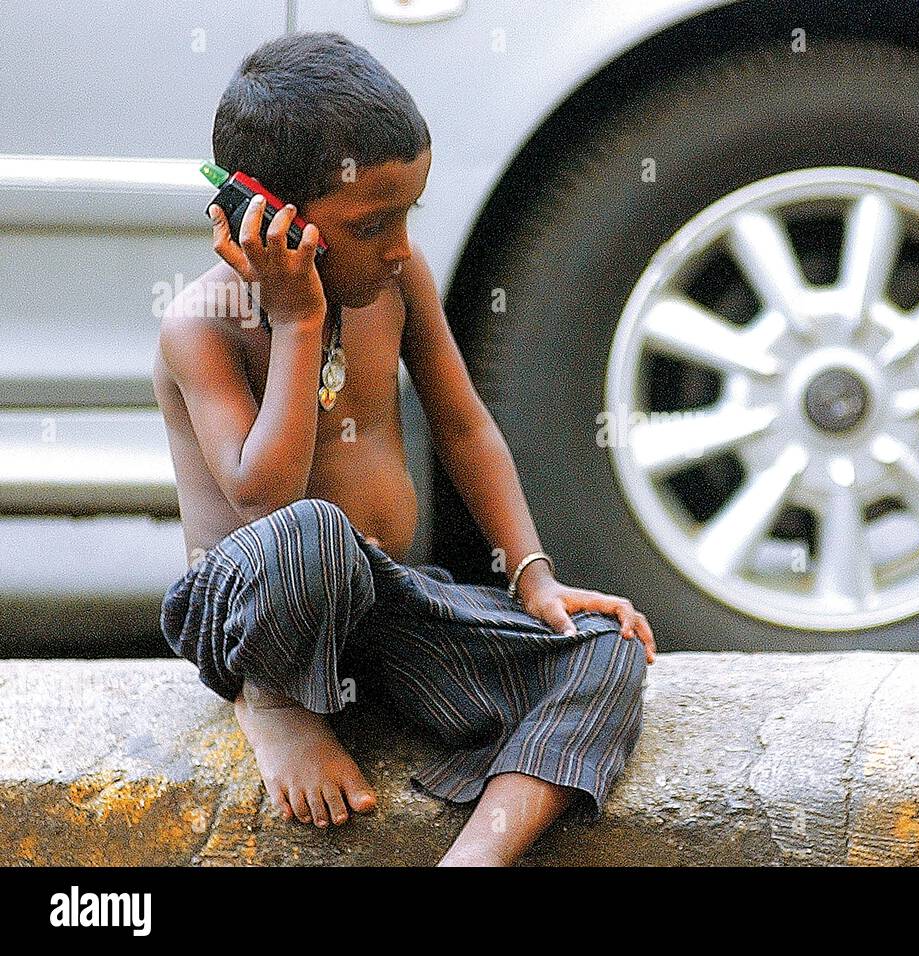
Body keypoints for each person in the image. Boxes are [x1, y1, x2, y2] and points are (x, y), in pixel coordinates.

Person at [152, 31, 655, 867]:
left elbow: (463, 426)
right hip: (253, 617)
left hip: (390, 607)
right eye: (372, 222)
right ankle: (276, 706)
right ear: (263, 217)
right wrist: (298, 319)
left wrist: (531, 572)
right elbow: (262, 498)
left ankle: (478, 854)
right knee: (312, 529)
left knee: (609, 652)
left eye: (408, 215)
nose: (397, 245)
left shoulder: (396, 278)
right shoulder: (199, 327)